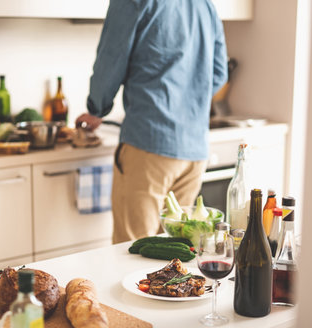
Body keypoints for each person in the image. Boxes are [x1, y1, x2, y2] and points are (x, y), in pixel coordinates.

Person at [76, 0, 229, 244]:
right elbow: (220, 73)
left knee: (133, 248)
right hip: (194, 150)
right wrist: (187, 101)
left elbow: (111, 60)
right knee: (173, 251)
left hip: (149, 146)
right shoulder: (204, 5)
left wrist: (97, 109)